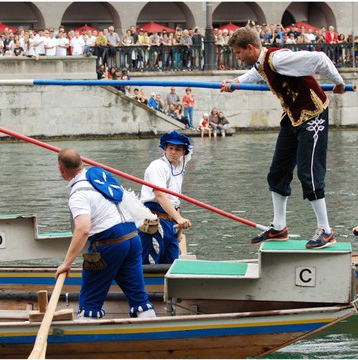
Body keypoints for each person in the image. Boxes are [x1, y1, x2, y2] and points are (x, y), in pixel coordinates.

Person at [221, 25, 346, 249]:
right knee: (278, 171)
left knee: (309, 173)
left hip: (313, 115)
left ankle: (326, 230)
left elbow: (320, 58)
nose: (237, 58)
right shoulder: (261, 61)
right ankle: (279, 227)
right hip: (292, 116)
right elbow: (256, 71)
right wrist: (236, 82)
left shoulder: (279, 59)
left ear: (250, 48)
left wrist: (338, 82)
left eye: (238, 53)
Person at [56, 148, 155, 320]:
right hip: (133, 238)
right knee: (139, 297)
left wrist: (67, 263)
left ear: (61, 169)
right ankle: (153, 330)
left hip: (109, 245)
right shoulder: (102, 179)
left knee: (90, 301)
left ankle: (85, 335)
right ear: (82, 163)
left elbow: (83, 229)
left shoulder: (79, 194)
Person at [139, 131, 192, 264]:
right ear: (164, 149)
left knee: (171, 266)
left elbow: (175, 202)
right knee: (149, 265)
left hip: (171, 224)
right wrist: (179, 219)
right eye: (170, 148)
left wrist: (178, 231)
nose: (173, 152)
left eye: (178, 149)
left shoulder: (179, 168)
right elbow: (160, 195)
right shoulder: (158, 166)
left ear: (183, 152)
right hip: (154, 222)